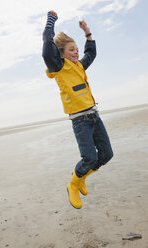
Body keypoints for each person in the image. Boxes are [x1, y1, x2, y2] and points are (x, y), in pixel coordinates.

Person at [42, 10, 113, 209]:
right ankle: (73, 184)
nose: (76, 52)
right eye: (71, 50)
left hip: (94, 117)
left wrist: (87, 33)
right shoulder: (58, 67)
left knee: (106, 155)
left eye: (76, 49)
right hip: (80, 121)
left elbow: (91, 53)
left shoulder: (79, 66)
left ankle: (82, 177)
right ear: (61, 53)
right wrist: (51, 21)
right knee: (89, 157)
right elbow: (47, 49)